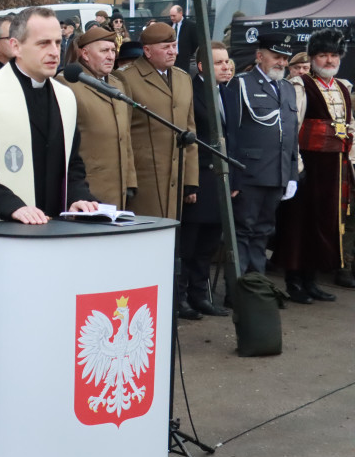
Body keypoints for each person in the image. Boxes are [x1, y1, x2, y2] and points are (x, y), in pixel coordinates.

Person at [0, 6, 98, 415]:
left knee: (48, 337)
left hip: (51, 240)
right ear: (16, 46)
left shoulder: (66, 97)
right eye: (44, 43)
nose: (55, 51)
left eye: (59, 41)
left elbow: (74, 164)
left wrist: (79, 196)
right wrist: (14, 206)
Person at [277, 28, 354, 298]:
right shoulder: (301, 85)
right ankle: (294, 282)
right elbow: (292, 126)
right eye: (323, 55)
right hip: (307, 164)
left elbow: (349, 126)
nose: (330, 60)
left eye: (334, 55)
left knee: (323, 223)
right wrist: (295, 165)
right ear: (313, 57)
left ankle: (311, 279)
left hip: (334, 167)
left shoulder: (343, 87)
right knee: (299, 223)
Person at [221, 35, 299, 283]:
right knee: (243, 232)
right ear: (259, 56)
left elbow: (291, 135)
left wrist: (292, 174)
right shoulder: (241, 84)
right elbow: (230, 133)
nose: (281, 63)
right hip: (249, 174)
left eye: (285, 58)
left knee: (264, 232)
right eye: (276, 57)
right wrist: (233, 177)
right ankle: (240, 290)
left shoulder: (287, 87)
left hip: (277, 174)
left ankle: (257, 287)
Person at [180, 42, 241, 318]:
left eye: (227, 61)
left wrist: (234, 179)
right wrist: (188, 182)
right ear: (203, 66)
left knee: (208, 244)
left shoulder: (227, 93)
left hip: (221, 177)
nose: (226, 66)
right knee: (189, 243)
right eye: (219, 62)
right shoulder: (190, 92)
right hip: (199, 175)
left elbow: (233, 138)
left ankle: (200, 296)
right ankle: (181, 298)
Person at [116, 21, 198, 221]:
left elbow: (189, 130)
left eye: (174, 46)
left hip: (175, 177)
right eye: (166, 48)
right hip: (145, 179)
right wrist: (129, 181)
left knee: (170, 237)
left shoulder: (183, 78)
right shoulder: (126, 78)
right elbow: (122, 134)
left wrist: (190, 180)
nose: (173, 52)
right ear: (148, 51)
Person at [56, 25, 136, 208]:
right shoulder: (67, 84)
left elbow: (125, 136)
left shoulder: (117, 84)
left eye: (113, 50)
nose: (111, 56)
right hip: (87, 190)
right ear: (85, 54)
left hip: (120, 187)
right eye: (104, 51)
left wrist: (130, 180)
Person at [169, 5, 198, 73]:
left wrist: (187, 53)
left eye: (174, 15)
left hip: (183, 59)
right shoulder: (168, 25)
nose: (172, 18)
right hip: (171, 57)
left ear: (180, 13)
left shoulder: (191, 25)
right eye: (170, 16)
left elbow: (195, 42)